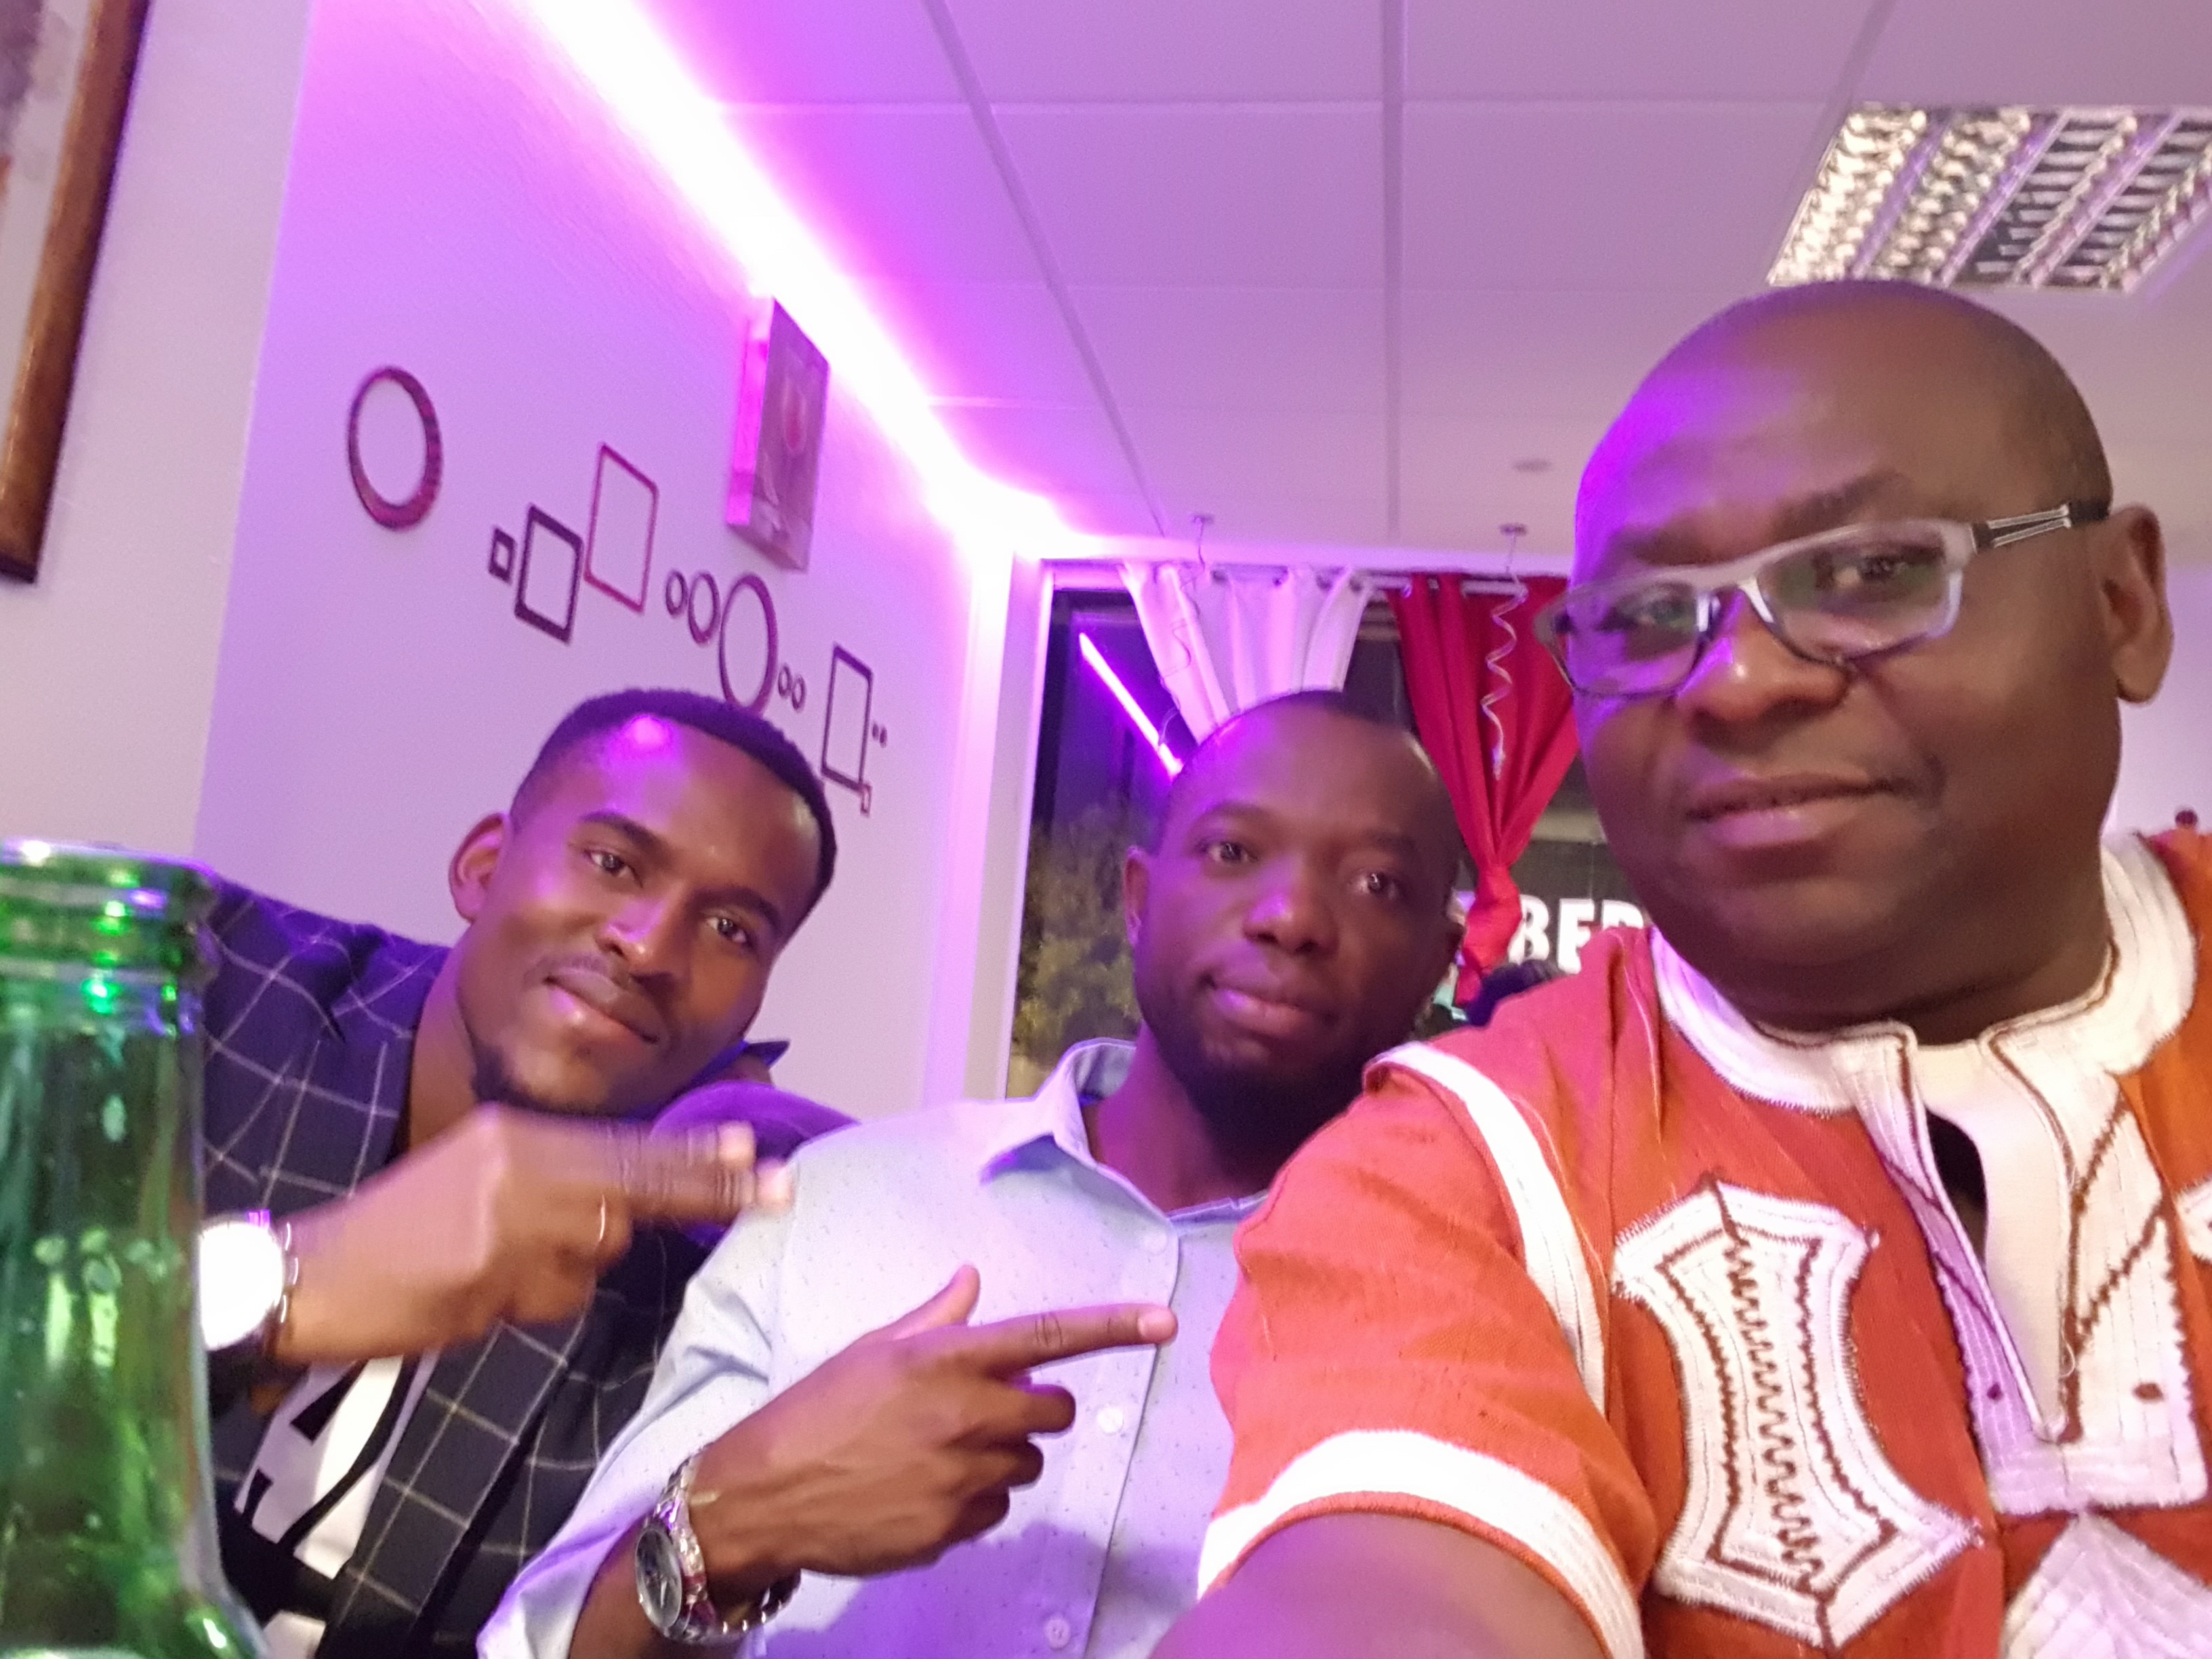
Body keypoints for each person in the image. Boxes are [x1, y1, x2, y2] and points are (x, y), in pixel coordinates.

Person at [1158, 282, 2212, 1659]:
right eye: (1654, 614)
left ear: (2121, 603)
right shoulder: (1466, 1169)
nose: (1736, 681)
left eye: (1871, 572)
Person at [480, 690, 1465, 1657]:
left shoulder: (1466, 1327)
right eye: (1233, 852)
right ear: (1136, 900)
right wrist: (739, 1524)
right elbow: (546, 1647)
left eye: (1377, 883)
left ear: (1440, 960)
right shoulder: (837, 1202)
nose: (1291, 916)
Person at [195, 687, 850, 1658]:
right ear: (483, 866)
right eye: (614, 862)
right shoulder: (197, 994)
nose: (649, 946)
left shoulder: (698, 1294)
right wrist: (283, 1287)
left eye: (731, 931)